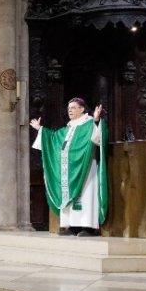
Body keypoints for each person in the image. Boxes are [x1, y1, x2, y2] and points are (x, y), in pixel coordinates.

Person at [30, 98, 107, 236]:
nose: (69, 110)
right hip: (69, 171)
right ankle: (72, 227)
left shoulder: (89, 124)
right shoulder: (68, 128)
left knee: (86, 195)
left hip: (86, 169)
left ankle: (87, 227)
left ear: (82, 109)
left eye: (73, 107)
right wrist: (40, 130)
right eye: (68, 108)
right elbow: (54, 139)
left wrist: (96, 121)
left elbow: (99, 138)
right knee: (69, 195)